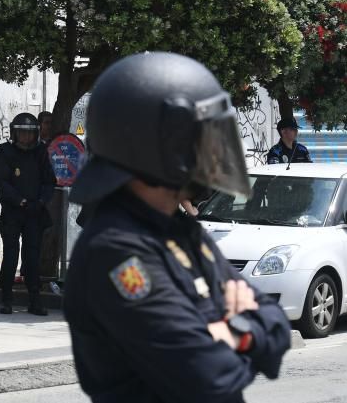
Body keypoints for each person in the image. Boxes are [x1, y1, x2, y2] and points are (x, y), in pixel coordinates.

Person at [64, 52, 291, 401]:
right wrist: (244, 327)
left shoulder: (182, 232)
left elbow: (276, 325)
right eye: (203, 138)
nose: (214, 152)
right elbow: (209, 374)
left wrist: (233, 332)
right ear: (162, 146)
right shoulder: (117, 251)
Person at [0, 113, 55, 315]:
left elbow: (49, 181)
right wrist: (19, 200)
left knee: (32, 256)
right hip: (12, 211)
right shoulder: (5, 152)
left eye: (29, 134)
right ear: (14, 133)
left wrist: (42, 201)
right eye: (21, 133)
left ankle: (35, 300)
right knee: (10, 254)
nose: (25, 138)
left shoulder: (41, 152)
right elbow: (0, 182)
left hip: (34, 212)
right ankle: (6, 299)